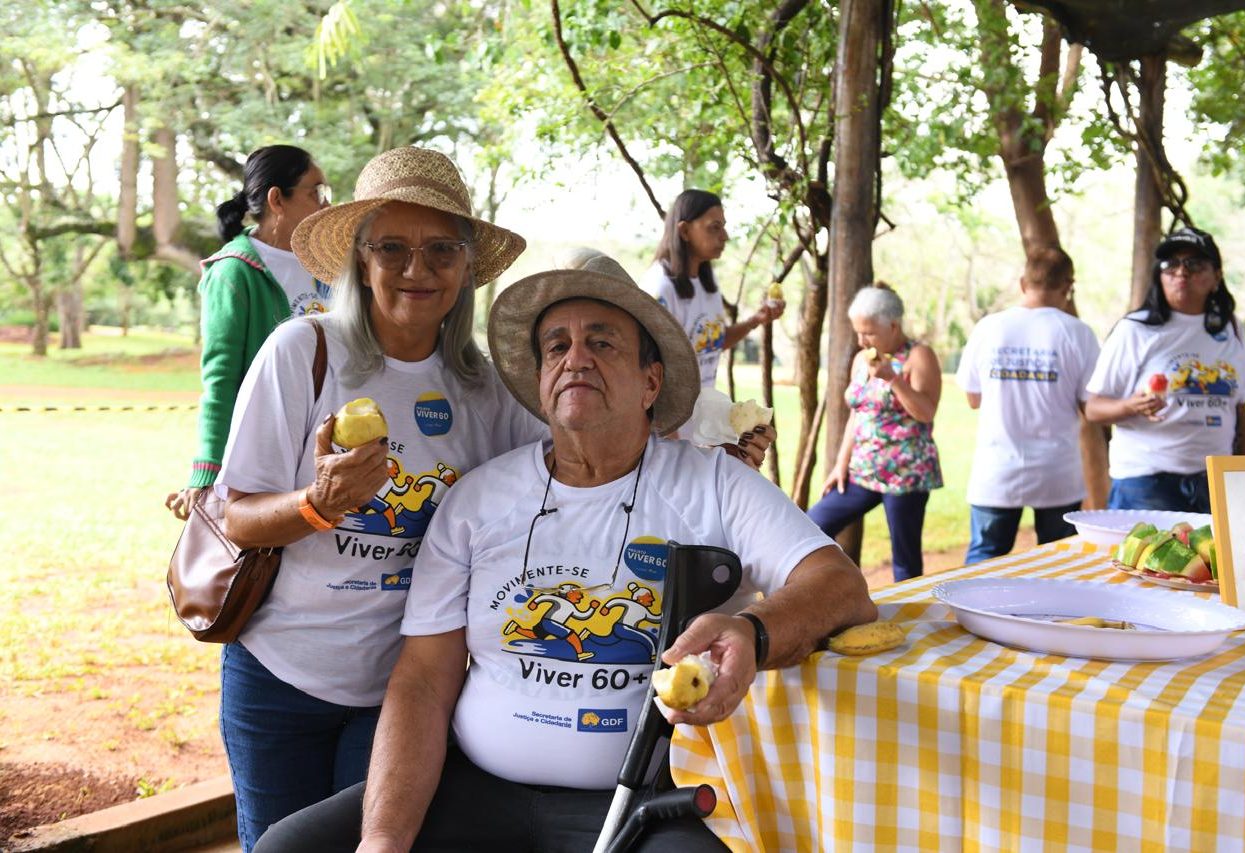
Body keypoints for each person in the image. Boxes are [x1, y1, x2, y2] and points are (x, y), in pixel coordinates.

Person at [253, 250, 877, 853]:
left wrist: (751, 632)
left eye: (602, 343)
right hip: (476, 788)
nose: (576, 359)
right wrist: (384, 838)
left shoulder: (715, 485)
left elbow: (841, 586)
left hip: (649, 794)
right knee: (289, 846)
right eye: (557, 347)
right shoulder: (476, 500)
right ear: (541, 381)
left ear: (650, 381)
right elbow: (423, 678)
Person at [212, 145, 544, 851]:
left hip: (402, 693)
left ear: (465, 267)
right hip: (279, 674)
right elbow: (233, 515)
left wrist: (696, 448)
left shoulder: (485, 389)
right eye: (392, 247)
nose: (417, 271)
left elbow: (570, 463)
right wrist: (316, 503)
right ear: (360, 258)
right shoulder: (301, 353)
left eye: (441, 251)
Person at [166, 144, 332, 521]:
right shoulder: (234, 273)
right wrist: (206, 471)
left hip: (322, 449)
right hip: (265, 450)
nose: (325, 205)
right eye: (315, 192)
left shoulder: (328, 264)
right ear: (277, 199)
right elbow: (220, 377)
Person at [1086, 227, 1245, 511]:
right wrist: (1132, 406)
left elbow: (1239, 408)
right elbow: (1093, 409)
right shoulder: (1136, 330)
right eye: (1171, 264)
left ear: (1216, 276)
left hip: (1214, 479)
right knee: (1141, 558)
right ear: (1159, 275)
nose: (1181, 272)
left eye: (1194, 264)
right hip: (1147, 480)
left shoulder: (1232, 329)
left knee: (1217, 557)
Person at [956, 246, 1100, 563]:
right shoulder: (1078, 333)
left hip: (997, 469)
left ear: (1024, 283)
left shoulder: (988, 328)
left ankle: (966, 614)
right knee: (1058, 560)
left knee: (984, 557)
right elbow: (1091, 404)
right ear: (1067, 286)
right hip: (1056, 471)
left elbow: (972, 397)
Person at [807, 283, 942, 583]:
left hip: (906, 474)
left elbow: (926, 412)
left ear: (893, 326)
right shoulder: (861, 359)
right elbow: (858, 413)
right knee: (811, 524)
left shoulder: (919, 356)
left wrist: (893, 378)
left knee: (905, 560)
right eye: (858, 332)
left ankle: (910, 618)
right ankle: (827, 588)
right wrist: (841, 465)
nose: (861, 340)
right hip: (863, 471)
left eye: (868, 332)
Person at [640, 190, 784, 430]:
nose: (725, 236)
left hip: (701, 423)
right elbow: (646, 365)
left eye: (724, 227)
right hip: (668, 429)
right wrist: (668, 430)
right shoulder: (660, 287)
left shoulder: (708, 285)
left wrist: (756, 320)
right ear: (685, 231)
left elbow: (711, 343)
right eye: (714, 227)